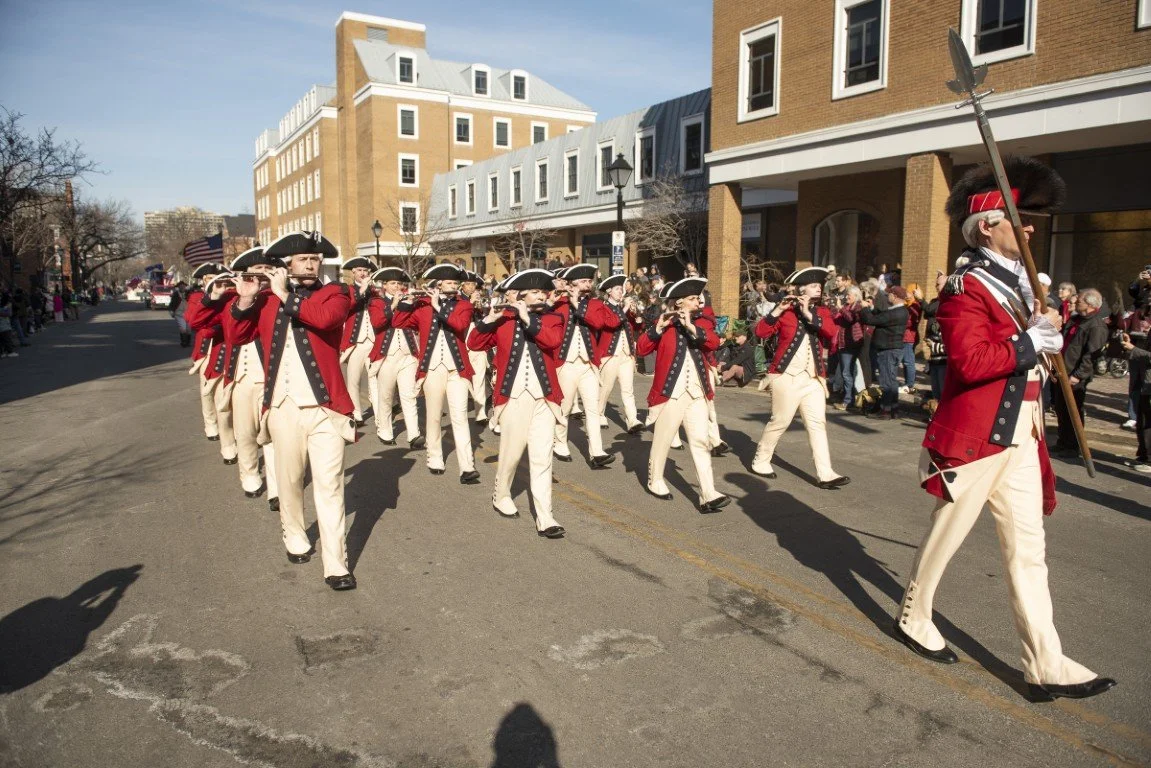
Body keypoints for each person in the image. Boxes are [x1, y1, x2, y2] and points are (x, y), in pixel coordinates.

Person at [894, 156, 1115, 701]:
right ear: (988, 225)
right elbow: (969, 363)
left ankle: (1046, 660)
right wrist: (1027, 344)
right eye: (1020, 217)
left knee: (1028, 549)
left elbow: (1022, 354)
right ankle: (914, 614)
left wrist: (1044, 336)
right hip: (977, 435)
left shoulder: (1017, 285)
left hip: (1023, 432)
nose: (1033, 226)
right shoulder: (968, 286)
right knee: (946, 536)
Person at [227, 230, 357, 591]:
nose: (311, 264)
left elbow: (326, 320)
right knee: (289, 480)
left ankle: (336, 564)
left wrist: (285, 293)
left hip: (326, 408)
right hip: (283, 407)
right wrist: (244, 299)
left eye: (315, 259)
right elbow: (236, 336)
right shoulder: (265, 300)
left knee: (330, 487)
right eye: (303, 259)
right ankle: (295, 534)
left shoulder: (336, 293)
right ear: (286, 265)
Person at [468, 269, 567, 537]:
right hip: (513, 396)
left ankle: (545, 517)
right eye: (536, 292)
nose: (543, 295)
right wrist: (489, 319)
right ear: (520, 295)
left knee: (542, 457)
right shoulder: (504, 319)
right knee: (511, 453)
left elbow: (553, 341)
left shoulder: (553, 318)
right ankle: (501, 494)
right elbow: (474, 344)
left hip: (545, 398)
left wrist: (527, 318)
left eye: (544, 292)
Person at [751, 267, 850, 488]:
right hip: (786, 376)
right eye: (814, 286)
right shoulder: (785, 310)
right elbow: (760, 332)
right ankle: (761, 459)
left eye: (819, 286)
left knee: (817, 424)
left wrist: (808, 313)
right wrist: (777, 309)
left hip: (813, 378)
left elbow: (832, 333)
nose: (818, 289)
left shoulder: (821, 312)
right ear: (801, 288)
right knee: (780, 421)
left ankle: (825, 472)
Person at [637, 277, 729, 512]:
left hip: (697, 391)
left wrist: (691, 327)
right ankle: (655, 479)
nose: (698, 300)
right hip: (671, 393)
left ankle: (708, 493)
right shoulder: (663, 324)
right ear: (678, 303)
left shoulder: (702, 322)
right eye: (691, 298)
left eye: (697, 297)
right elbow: (641, 348)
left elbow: (714, 343)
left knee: (700, 441)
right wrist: (657, 328)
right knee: (664, 438)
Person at [395, 264, 480, 484]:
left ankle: (467, 466)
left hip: (457, 369)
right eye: (450, 282)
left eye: (456, 283)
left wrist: (437, 307)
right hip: (432, 368)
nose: (454, 286)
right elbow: (399, 322)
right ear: (439, 284)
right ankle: (434, 458)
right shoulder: (422, 305)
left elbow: (460, 325)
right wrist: (408, 302)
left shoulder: (464, 305)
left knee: (460, 416)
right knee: (433, 416)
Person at [216, 247, 279, 509]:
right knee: (246, 433)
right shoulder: (233, 300)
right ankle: (250, 474)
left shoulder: (280, 299)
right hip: (241, 377)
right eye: (258, 271)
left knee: (274, 434)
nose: (263, 276)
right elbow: (226, 332)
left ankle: (277, 488)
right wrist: (243, 299)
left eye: (267, 270)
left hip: (271, 377)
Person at [550, 264, 617, 468]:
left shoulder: (594, 304)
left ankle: (596, 451)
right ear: (571, 284)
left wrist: (577, 305)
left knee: (593, 408)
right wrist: (560, 301)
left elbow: (599, 323)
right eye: (583, 282)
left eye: (589, 281)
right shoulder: (558, 304)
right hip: (566, 363)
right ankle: (559, 441)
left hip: (588, 364)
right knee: (565, 406)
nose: (587, 285)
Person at [366, 267, 423, 448]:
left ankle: (414, 435)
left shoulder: (408, 300)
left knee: (409, 395)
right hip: (387, 355)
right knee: (386, 396)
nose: (396, 286)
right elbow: (377, 323)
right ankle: (385, 430)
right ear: (384, 286)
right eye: (392, 283)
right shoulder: (377, 302)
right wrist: (393, 305)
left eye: (399, 283)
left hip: (408, 355)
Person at [184, 263, 236, 461]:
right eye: (208, 279)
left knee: (226, 397)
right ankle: (211, 424)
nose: (213, 282)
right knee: (208, 391)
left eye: (218, 278)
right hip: (207, 350)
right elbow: (193, 321)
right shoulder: (198, 298)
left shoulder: (231, 296)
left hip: (226, 348)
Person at [1051, 288, 1109, 455]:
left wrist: (1078, 376)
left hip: (1075, 376)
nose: (1075, 303)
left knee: (1073, 410)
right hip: (1062, 371)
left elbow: (1092, 355)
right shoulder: (1076, 319)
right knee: (1061, 409)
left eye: (1080, 301)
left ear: (1090, 305)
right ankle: (1063, 441)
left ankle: (1073, 445)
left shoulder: (1096, 325)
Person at [594, 274, 645, 434]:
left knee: (628, 389)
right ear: (609, 291)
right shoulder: (603, 307)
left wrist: (637, 318)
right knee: (606, 388)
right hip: (609, 355)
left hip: (626, 354)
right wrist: (623, 309)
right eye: (617, 289)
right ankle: (599, 413)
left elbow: (635, 327)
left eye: (621, 289)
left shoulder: (625, 308)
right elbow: (610, 323)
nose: (621, 292)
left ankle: (632, 419)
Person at [338, 257, 378, 427]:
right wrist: (362, 289)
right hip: (355, 342)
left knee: (374, 379)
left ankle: (380, 414)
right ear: (353, 272)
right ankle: (356, 413)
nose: (363, 273)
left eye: (365, 271)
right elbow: (349, 305)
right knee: (353, 380)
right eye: (359, 270)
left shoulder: (374, 291)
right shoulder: (347, 290)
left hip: (373, 341)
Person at [861, 285, 909, 418]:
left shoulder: (896, 313)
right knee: (891, 380)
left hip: (888, 349)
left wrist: (864, 308)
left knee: (886, 381)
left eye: (890, 294)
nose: (888, 296)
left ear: (895, 296)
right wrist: (872, 308)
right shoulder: (899, 311)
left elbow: (871, 320)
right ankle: (893, 409)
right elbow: (882, 315)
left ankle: (885, 410)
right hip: (892, 348)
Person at [460, 271, 491, 425]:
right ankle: (460, 408)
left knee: (479, 375)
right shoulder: (458, 300)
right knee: (462, 378)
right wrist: (470, 304)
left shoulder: (477, 299)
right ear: (462, 286)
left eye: (473, 284)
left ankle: (481, 412)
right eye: (468, 284)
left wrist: (480, 307)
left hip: (477, 339)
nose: (472, 287)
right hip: (462, 339)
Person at [1118, 329, 1151, 473]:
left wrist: (1134, 349)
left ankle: (1149, 460)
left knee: (1149, 423)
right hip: (1144, 380)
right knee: (1142, 421)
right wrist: (1129, 345)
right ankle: (1144, 455)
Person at [832, 286, 866, 411]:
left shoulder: (858, 307)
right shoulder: (846, 306)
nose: (847, 297)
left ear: (856, 296)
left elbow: (851, 319)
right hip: (843, 342)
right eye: (847, 295)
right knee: (847, 372)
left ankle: (848, 400)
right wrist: (836, 308)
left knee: (846, 372)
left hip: (851, 342)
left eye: (849, 295)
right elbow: (836, 318)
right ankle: (849, 397)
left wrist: (841, 308)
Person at [923, 272, 949, 412]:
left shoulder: (951, 306)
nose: (936, 287)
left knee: (943, 393)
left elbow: (951, 343)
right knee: (936, 392)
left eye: (938, 284)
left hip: (944, 360)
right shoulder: (936, 303)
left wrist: (934, 345)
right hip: (934, 358)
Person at [900, 283, 923, 393]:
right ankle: (907, 382)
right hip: (905, 336)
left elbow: (910, 321)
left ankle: (910, 384)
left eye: (908, 292)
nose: (906, 294)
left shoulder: (916, 305)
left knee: (908, 361)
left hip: (909, 336)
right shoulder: (907, 305)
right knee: (905, 361)